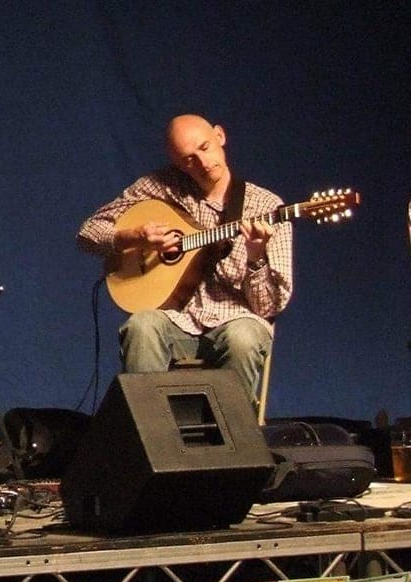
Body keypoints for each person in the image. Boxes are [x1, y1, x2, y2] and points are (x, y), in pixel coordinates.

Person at [77, 114, 292, 401]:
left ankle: (231, 439)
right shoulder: (160, 186)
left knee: (244, 338)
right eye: (189, 159)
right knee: (141, 326)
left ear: (220, 136)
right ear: (177, 163)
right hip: (176, 319)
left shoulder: (267, 205)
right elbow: (88, 234)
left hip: (235, 321)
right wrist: (135, 236)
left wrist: (255, 258)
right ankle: (149, 434)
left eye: (204, 148)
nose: (202, 164)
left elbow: (266, 307)